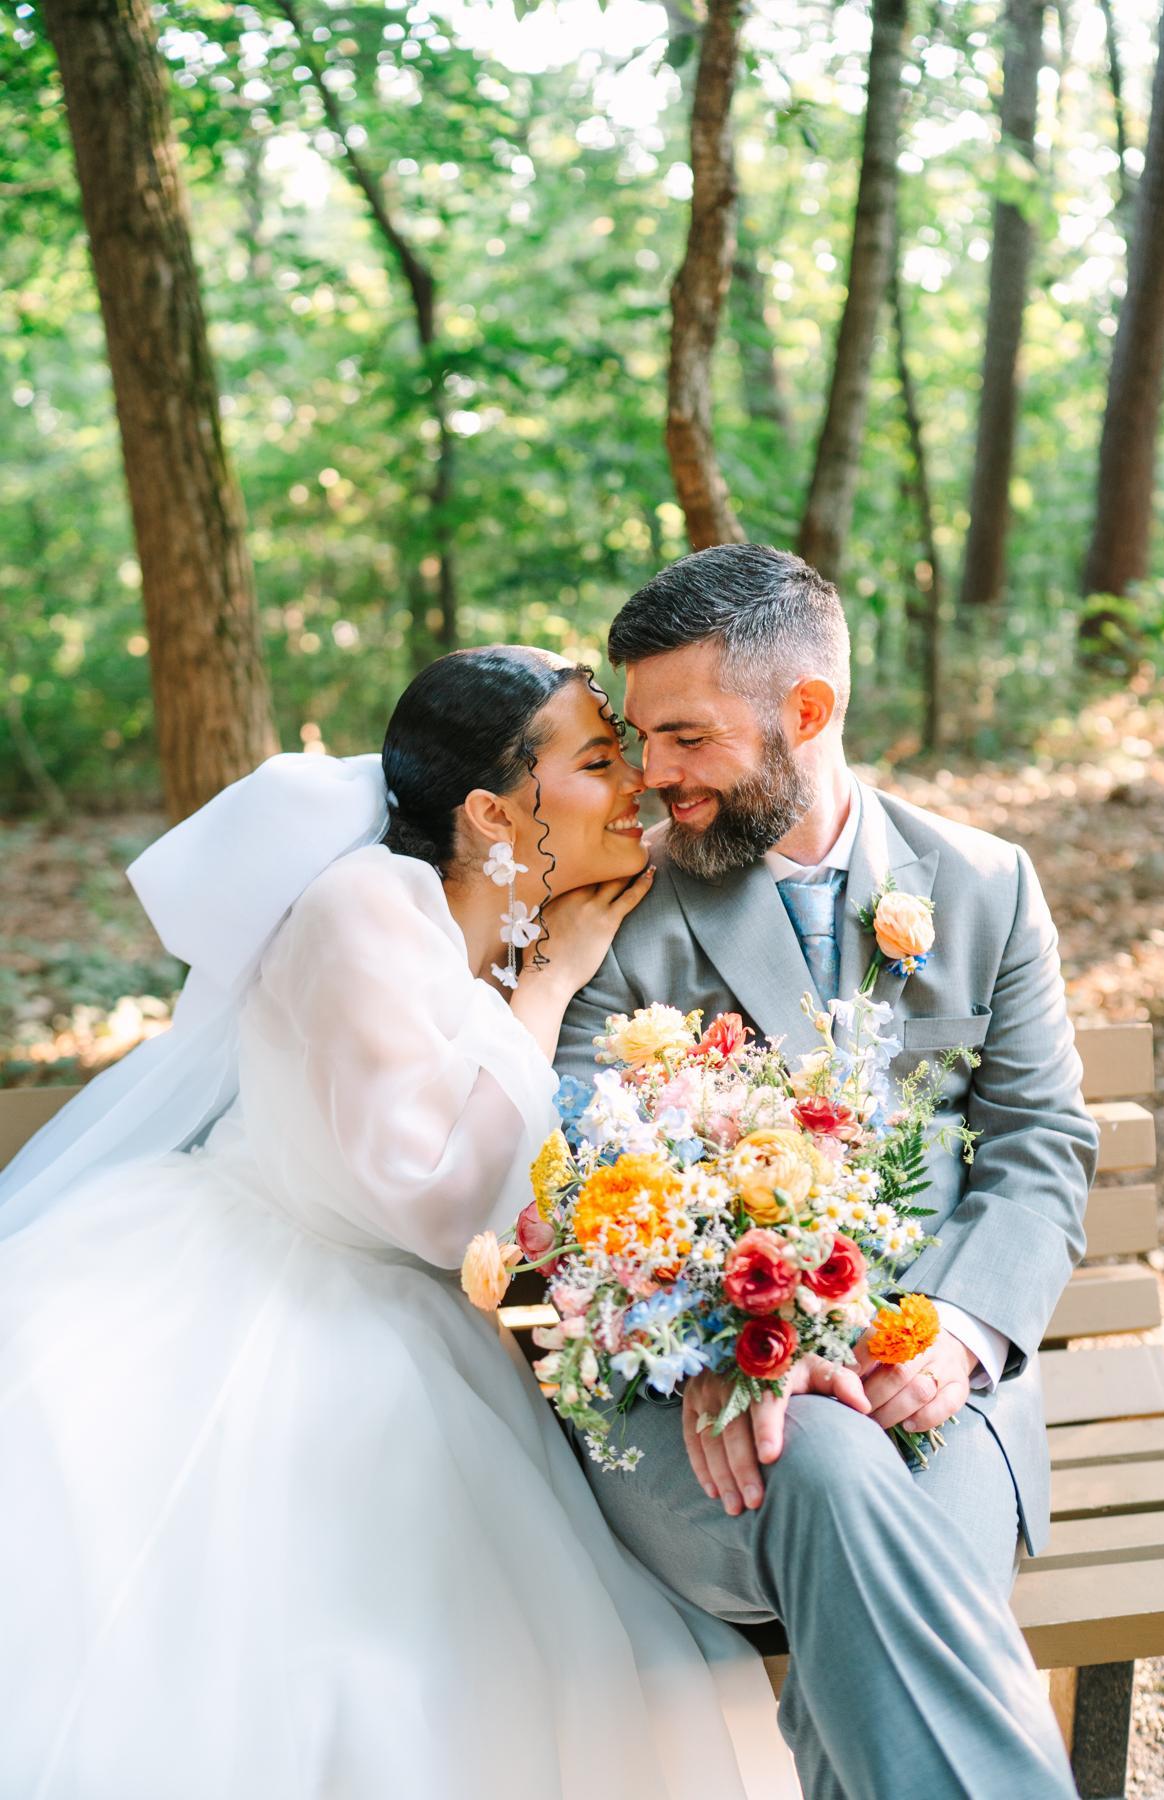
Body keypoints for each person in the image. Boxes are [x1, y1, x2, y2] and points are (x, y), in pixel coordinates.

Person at [0, 647, 797, 1800]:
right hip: (270, 1289)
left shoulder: (537, 906)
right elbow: (437, 1202)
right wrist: (548, 986)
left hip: (441, 1315)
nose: (636, 782)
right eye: (597, 759)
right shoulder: (362, 908)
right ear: (491, 811)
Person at [555, 545, 1095, 1799]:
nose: (653, 773)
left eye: (687, 736)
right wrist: (726, 1342)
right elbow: (582, 1174)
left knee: (880, 1548)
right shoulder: (619, 907)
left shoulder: (985, 886)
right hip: (707, 1410)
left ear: (806, 711)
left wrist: (955, 1336)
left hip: (940, 1391)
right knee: (831, 1469)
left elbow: (1042, 1147)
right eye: (641, 736)